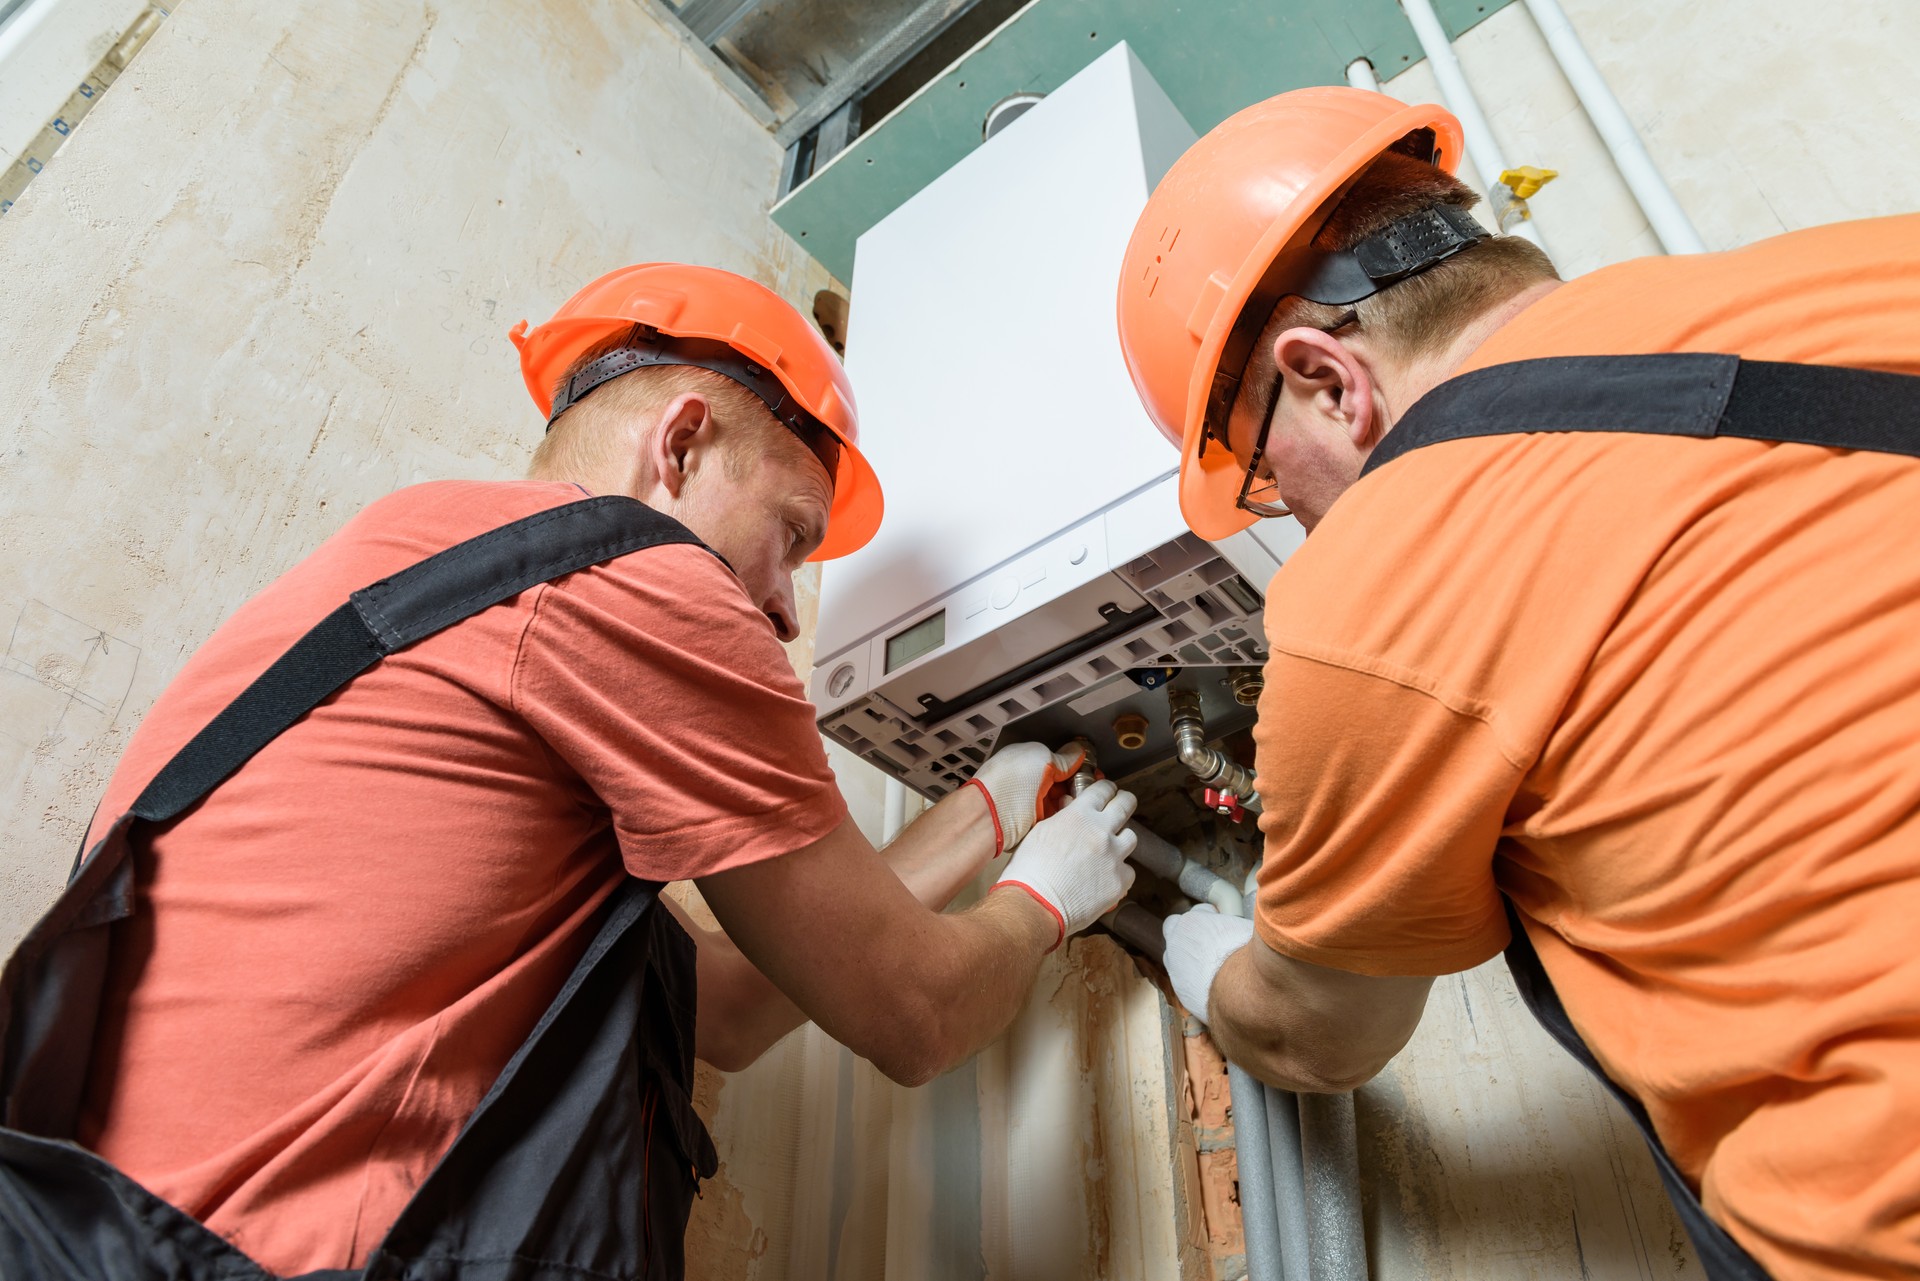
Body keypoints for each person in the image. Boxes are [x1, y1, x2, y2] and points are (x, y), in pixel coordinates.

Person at [0, 262, 1138, 1279]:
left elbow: (731, 1010)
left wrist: (985, 814)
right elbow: (916, 1017)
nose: (789, 612)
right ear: (680, 443)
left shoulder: (420, 575)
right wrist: (1046, 902)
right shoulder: (636, 579)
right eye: (791, 535)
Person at [1120, 87, 1920, 1281]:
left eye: (1262, 471)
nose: (1284, 508)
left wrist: (1209, 976)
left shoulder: (1365, 597)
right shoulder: (1874, 268)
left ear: (1326, 375)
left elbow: (1322, 1031)